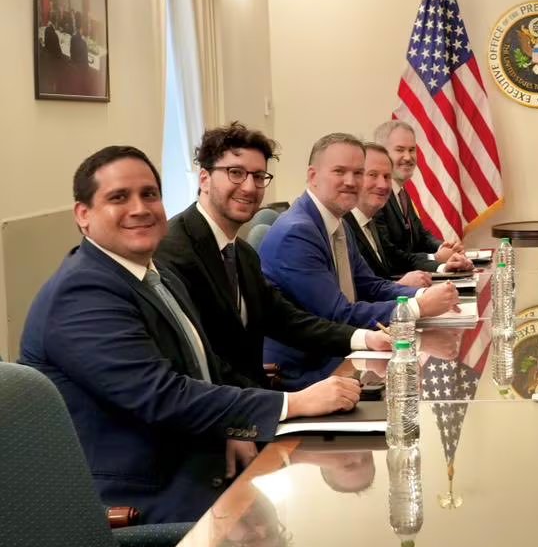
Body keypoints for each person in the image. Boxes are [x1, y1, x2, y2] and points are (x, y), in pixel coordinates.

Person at [20, 146, 362, 523]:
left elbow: (205, 366)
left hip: (200, 456)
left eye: (149, 194)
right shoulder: (83, 292)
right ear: (83, 215)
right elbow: (163, 396)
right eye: (119, 197)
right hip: (143, 497)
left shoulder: (153, 275)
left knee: (338, 491)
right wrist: (291, 404)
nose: (140, 208)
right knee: (314, 518)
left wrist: (238, 428)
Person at [156, 122, 392, 390]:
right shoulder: (174, 250)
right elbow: (200, 364)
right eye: (235, 173)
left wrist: (363, 338)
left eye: (258, 176)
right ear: (204, 179)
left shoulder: (241, 253)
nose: (248, 187)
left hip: (252, 398)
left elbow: (285, 319)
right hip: (230, 410)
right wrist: (290, 404)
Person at [259, 133, 460, 375]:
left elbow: (371, 286)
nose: (351, 181)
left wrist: (424, 293)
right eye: (339, 171)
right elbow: (339, 314)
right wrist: (417, 307)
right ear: (313, 176)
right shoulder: (297, 232)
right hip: (305, 370)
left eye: (358, 173)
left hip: (342, 354)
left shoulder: (338, 222)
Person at [371, 120, 471, 273]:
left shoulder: (401, 193)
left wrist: (443, 247)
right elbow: (390, 255)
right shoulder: (377, 197)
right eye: (400, 150)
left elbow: (421, 236)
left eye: (412, 150)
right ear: (382, 154)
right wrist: (436, 259)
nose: (408, 157)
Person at [343, 141, 440, 284]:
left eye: (387, 177)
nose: (382, 185)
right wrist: (400, 286)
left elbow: (397, 259)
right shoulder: (343, 226)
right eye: (373, 175)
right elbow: (354, 292)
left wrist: (443, 267)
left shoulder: (370, 222)